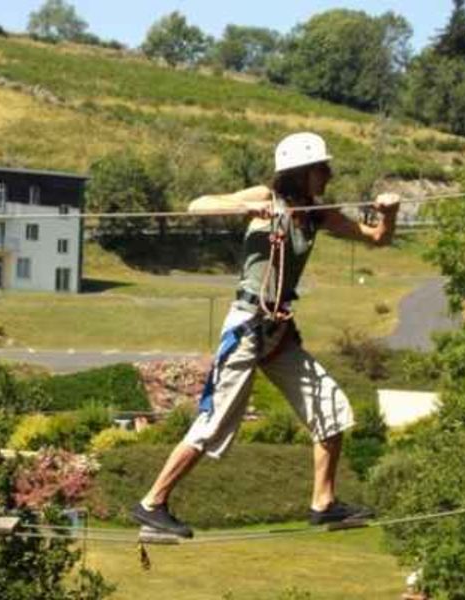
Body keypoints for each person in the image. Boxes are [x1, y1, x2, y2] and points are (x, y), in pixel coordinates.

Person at [131, 132, 400, 538]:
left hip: (278, 332)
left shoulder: (316, 212)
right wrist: (245, 205)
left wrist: (388, 213)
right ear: (300, 172)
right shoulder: (266, 198)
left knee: (330, 410)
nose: (329, 174)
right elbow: (196, 206)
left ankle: (323, 503)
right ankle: (153, 504)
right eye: (321, 168)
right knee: (214, 424)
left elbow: (377, 237)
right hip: (246, 327)